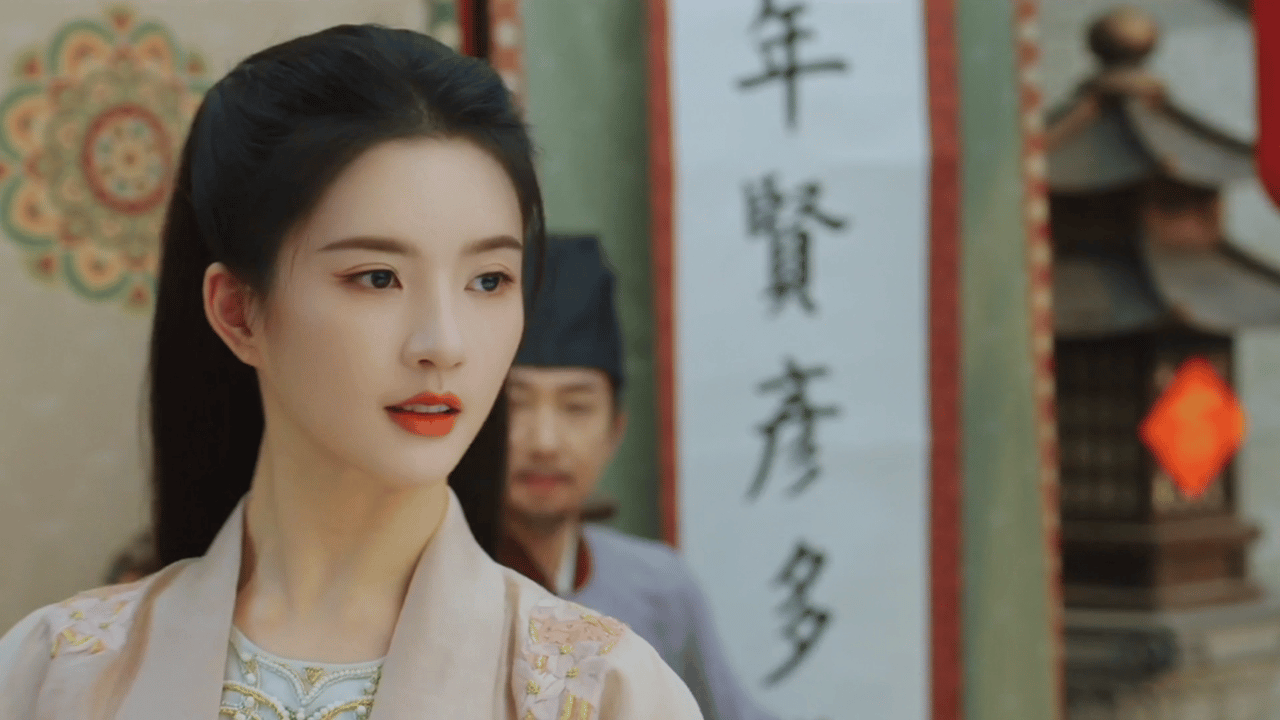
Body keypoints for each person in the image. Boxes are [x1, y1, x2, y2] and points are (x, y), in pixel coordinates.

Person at [0, 26, 703, 719]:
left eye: (489, 281)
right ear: (238, 312)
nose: (443, 343)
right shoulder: (56, 673)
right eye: (376, 277)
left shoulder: (604, 693)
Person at [500, 235, 781, 720]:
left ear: (615, 430)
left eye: (576, 406)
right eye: (515, 405)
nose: (544, 441)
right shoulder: (426, 585)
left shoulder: (660, 591)